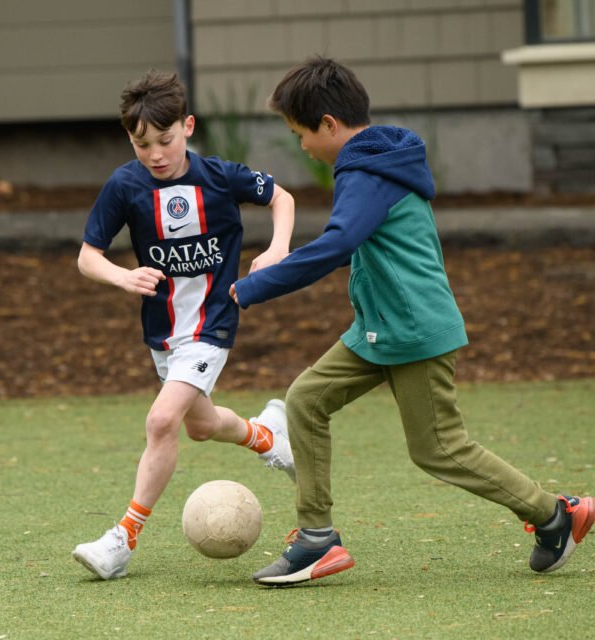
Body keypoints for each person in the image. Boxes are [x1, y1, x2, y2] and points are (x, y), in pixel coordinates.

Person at [230, 56, 594, 586]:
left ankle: (555, 514)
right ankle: (316, 540)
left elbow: (338, 244)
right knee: (307, 400)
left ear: (329, 125)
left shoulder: (364, 172)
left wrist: (256, 285)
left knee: (439, 448)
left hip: (413, 328)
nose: (302, 146)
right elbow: (349, 244)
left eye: (300, 134)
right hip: (381, 327)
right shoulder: (377, 161)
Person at [72, 70, 296, 580]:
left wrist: (279, 247)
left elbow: (282, 198)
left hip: (213, 323)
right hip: (164, 333)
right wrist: (122, 277)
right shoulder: (124, 185)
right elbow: (88, 257)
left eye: (165, 140)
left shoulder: (219, 176)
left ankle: (121, 541)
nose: (154, 153)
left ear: (188, 126)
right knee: (200, 425)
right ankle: (268, 434)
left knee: (160, 421)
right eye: (141, 143)